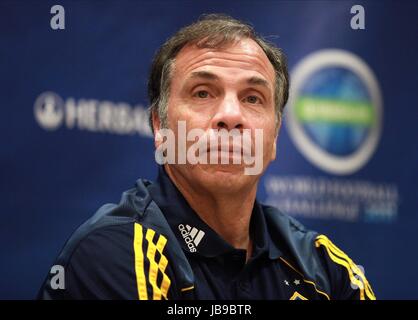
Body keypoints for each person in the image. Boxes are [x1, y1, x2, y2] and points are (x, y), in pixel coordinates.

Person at [38, 14, 375, 300]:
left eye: (253, 98)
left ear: (274, 138)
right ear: (160, 125)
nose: (230, 115)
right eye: (202, 92)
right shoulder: (113, 254)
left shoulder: (325, 269)